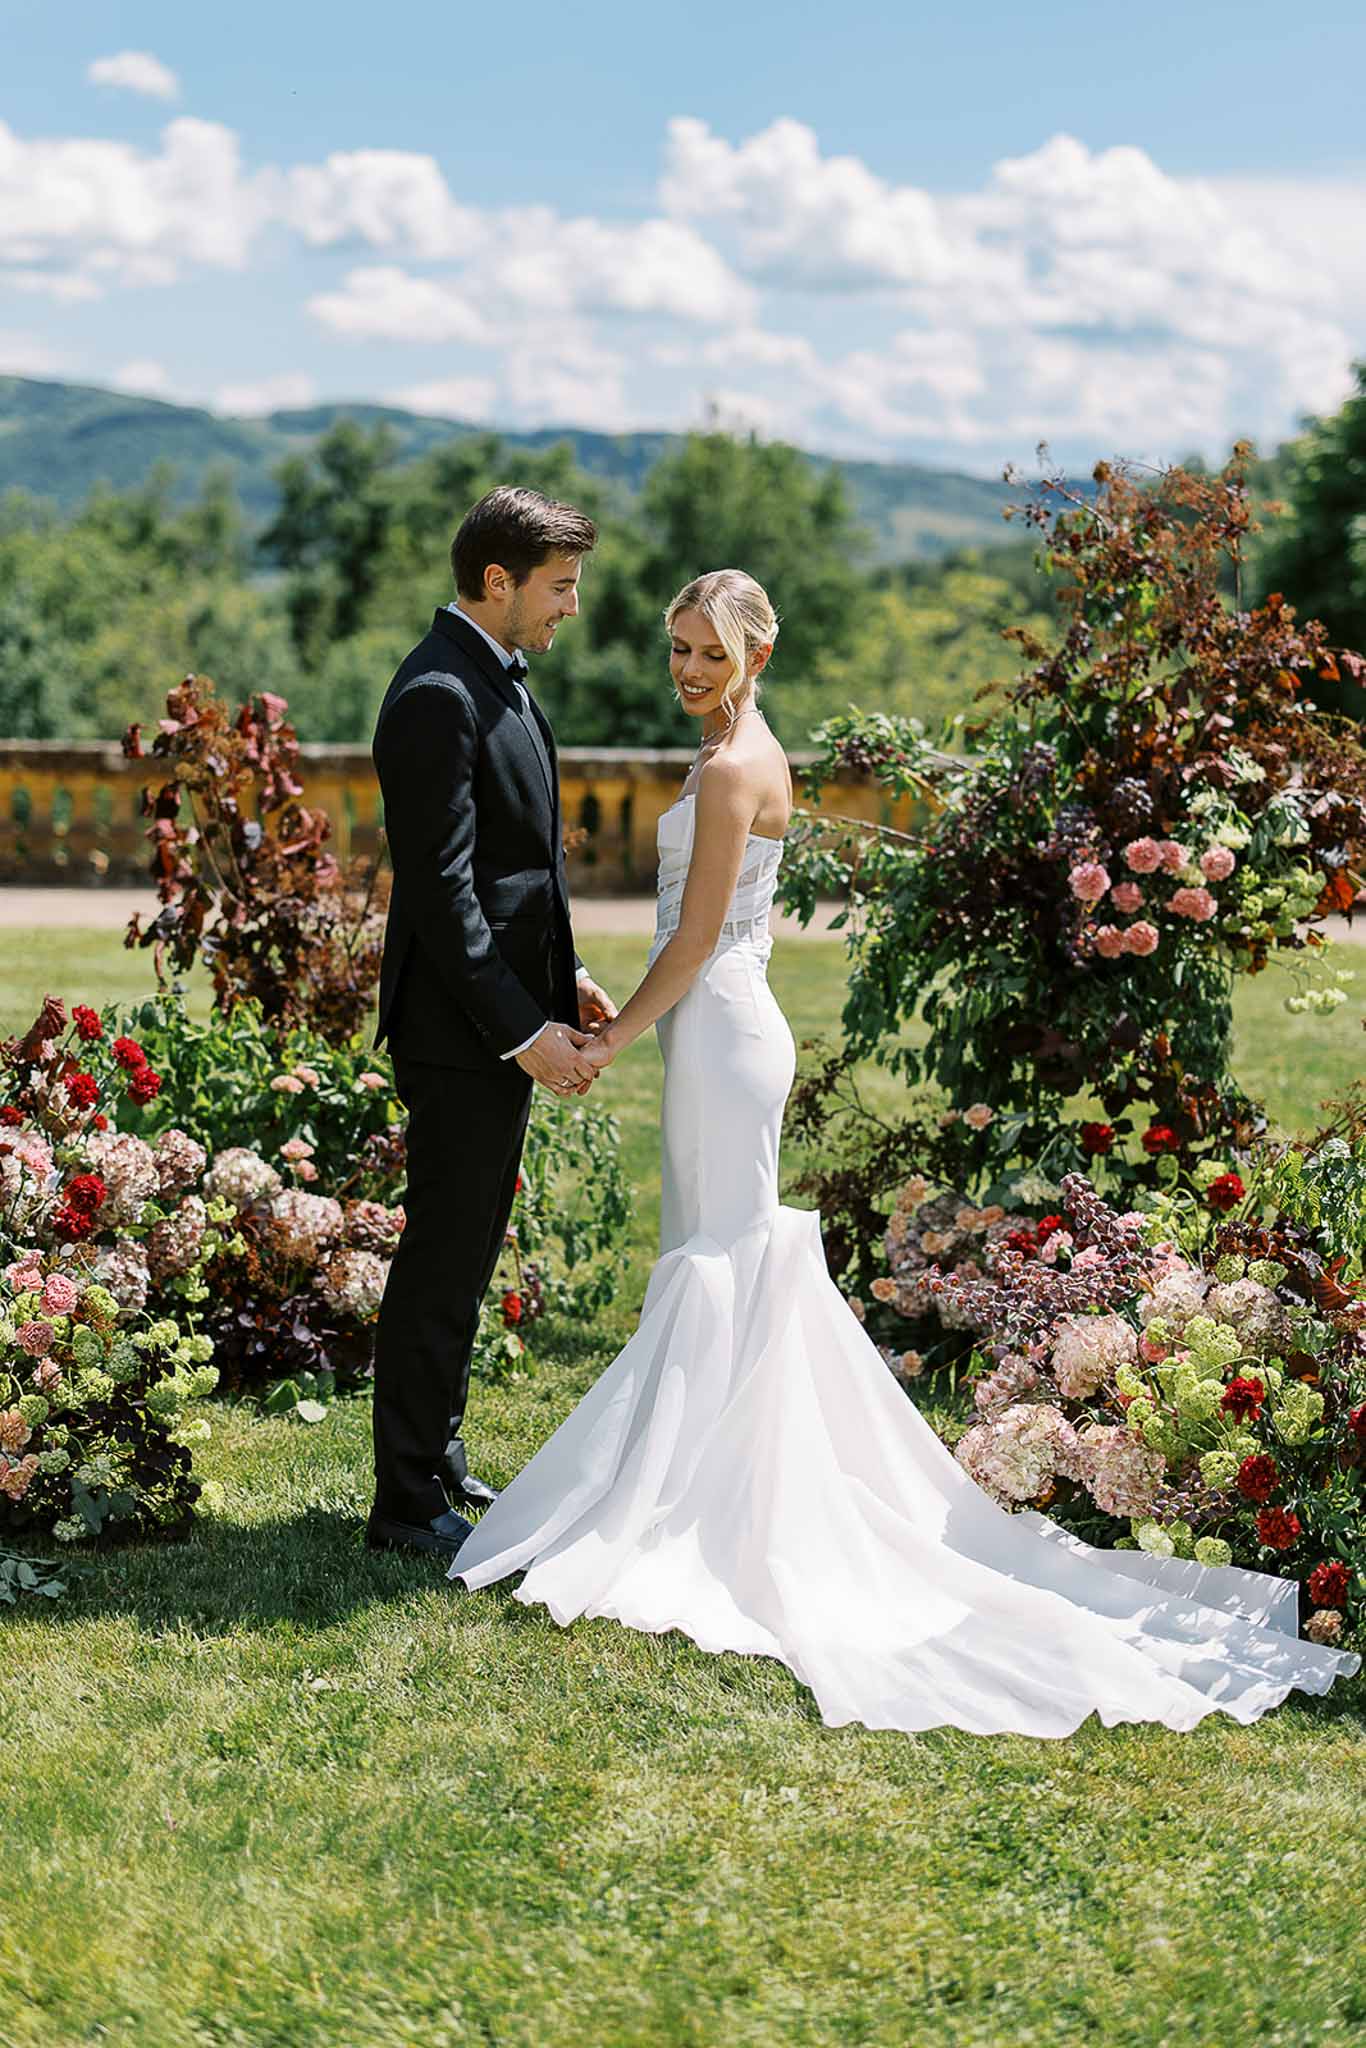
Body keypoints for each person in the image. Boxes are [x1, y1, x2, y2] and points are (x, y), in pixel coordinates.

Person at [448, 566, 1359, 1737]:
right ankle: (707, 1487)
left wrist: (613, 1032)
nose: (686, 671)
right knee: (716, 1253)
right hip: (715, 1026)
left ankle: (702, 1505)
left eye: (708, 655)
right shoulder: (729, 754)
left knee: (719, 1257)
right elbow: (697, 926)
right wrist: (612, 1000)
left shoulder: (732, 768)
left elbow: (692, 936)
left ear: (754, 657)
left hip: (721, 1035)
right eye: (677, 648)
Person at [365, 486, 618, 1560]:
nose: (569, 609)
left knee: (466, 1252)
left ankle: (441, 1447)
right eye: (559, 588)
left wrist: (570, 979)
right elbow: (443, 893)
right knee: (441, 1257)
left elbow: (518, 872)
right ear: (498, 581)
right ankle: (406, 1499)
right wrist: (524, 1030)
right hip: (460, 1030)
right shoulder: (437, 695)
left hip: (497, 1015)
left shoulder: (490, 676)